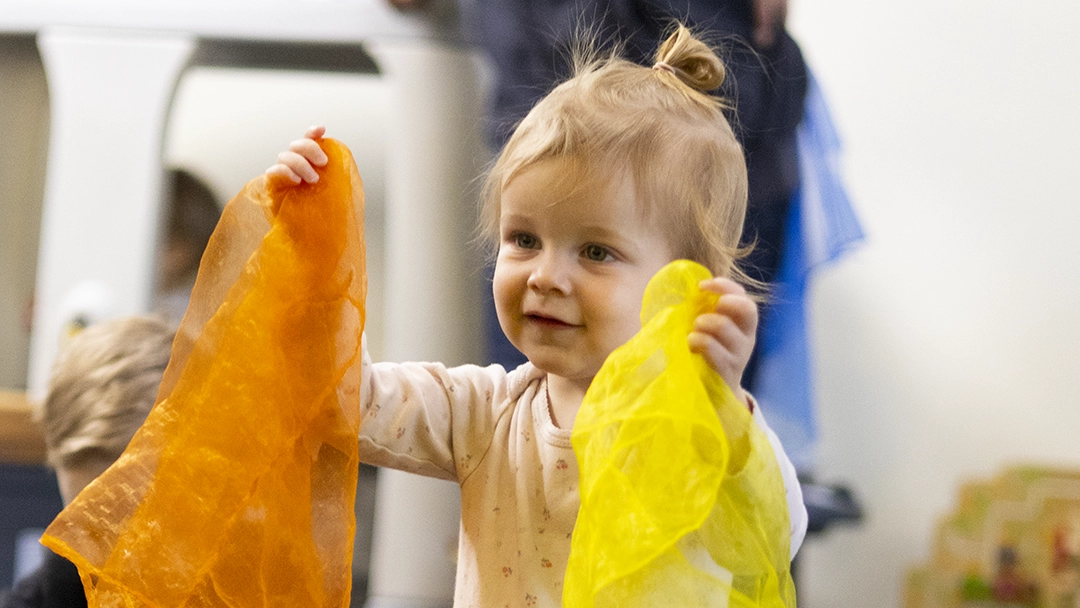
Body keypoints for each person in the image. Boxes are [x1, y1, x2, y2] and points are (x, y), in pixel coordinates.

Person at [268, 24, 806, 607]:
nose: (545, 276)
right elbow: (347, 402)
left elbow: (779, 529)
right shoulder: (484, 413)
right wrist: (309, 263)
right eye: (523, 239)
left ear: (684, 287)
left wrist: (725, 415)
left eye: (596, 252)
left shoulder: (693, 426)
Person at [0, 316, 173, 608]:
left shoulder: (254, 582)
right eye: (88, 527)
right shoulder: (44, 596)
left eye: (129, 523)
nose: (110, 558)